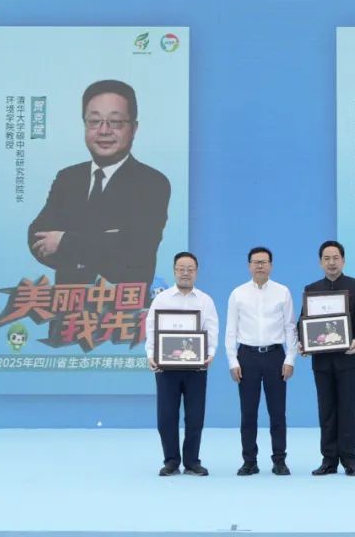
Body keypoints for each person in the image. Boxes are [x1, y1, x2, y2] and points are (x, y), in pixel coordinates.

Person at [28, 79, 171, 287]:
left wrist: (64, 241)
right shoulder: (68, 178)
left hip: (122, 305)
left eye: (116, 122)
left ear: (134, 128)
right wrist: (103, 244)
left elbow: (136, 250)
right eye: (94, 121)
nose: (104, 130)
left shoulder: (152, 183)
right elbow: (37, 236)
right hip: (68, 304)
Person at [300, 241, 355, 477]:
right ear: (320, 262)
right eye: (327, 258)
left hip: (348, 358)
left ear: (343, 260)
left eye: (336, 258)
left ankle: (350, 460)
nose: (331, 263)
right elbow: (303, 321)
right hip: (321, 361)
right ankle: (329, 460)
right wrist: (303, 343)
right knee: (327, 410)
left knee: (348, 408)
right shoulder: (311, 289)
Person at [225, 247, 298, 476]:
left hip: (275, 356)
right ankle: (249, 461)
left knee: (278, 413)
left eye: (264, 262)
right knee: (248, 413)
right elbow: (231, 330)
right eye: (255, 262)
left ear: (271, 266)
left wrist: (290, 358)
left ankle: (279, 460)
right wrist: (233, 361)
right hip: (247, 357)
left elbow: (290, 327)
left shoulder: (282, 292)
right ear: (249, 265)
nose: (260, 266)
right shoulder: (237, 293)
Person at [145, 251, 218, 477]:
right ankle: (171, 461)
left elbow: (212, 330)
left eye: (190, 269)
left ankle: (192, 461)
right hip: (166, 367)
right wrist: (151, 355)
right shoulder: (162, 299)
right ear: (174, 271)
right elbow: (151, 329)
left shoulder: (205, 300)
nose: (186, 273)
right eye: (181, 269)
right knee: (166, 416)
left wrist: (209, 354)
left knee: (195, 416)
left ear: (196, 272)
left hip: (196, 367)